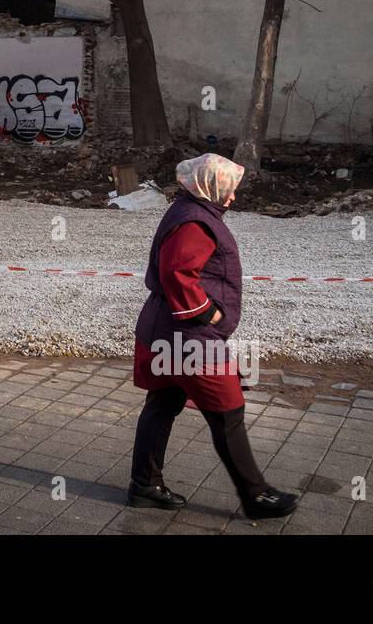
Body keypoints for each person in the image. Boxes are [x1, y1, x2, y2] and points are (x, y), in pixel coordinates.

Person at [128, 153, 299, 520]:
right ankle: (256, 496)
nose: (233, 197)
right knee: (228, 411)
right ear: (210, 186)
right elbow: (177, 273)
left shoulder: (191, 210)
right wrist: (209, 312)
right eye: (229, 190)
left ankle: (144, 486)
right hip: (187, 337)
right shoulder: (195, 221)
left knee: (162, 403)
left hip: (167, 330)